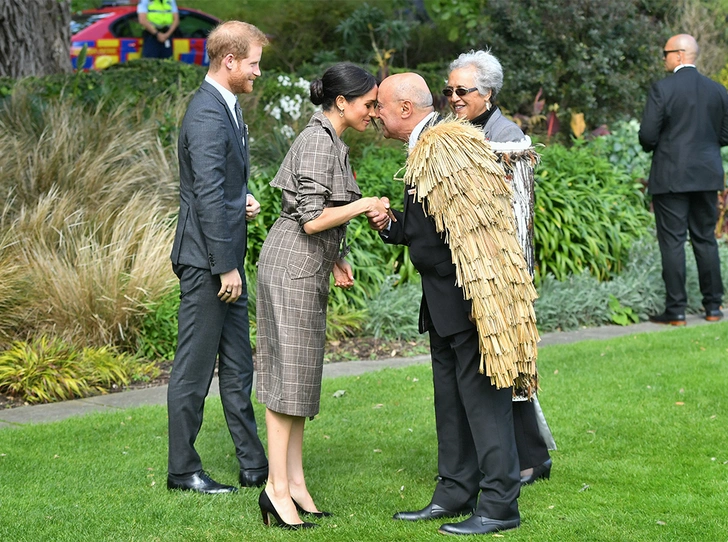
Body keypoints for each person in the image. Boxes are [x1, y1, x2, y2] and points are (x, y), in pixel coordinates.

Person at [372, 72, 522, 536]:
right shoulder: (430, 146)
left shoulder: (443, 144)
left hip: (466, 297)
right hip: (442, 301)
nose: (373, 113)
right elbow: (433, 225)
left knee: (483, 400)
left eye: (378, 104)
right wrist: (390, 224)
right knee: (452, 401)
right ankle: (455, 490)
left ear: (403, 108)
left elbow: (475, 227)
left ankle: (499, 505)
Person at [255, 63, 388, 529]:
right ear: (341, 103)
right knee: (285, 379)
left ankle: (294, 485)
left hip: (307, 264)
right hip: (290, 267)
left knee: (300, 378)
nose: (374, 112)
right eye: (369, 104)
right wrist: (365, 203)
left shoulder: (331, 140)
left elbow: (316, 216)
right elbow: (310, 218)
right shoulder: (316, 140)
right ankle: (275, 489)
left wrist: (337, 256)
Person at [167, 21, 269, 495]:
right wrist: (225, 266)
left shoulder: (224, 106)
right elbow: (205, 193)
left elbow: (219, 187)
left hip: (222, 255)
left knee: (238, 365)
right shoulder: (208, 113)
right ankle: (182, 470)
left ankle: (253, 465)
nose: (257, 73)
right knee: (193, 370)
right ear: (229, 61)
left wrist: (241, 198)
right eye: (253, 65)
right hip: (209, 262)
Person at [445, 50, 555, 486]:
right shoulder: (461, 129)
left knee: (506, 365)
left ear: (487, 93)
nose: (453, 97)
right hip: (477, 269)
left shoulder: (506, 136)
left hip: (501, 271)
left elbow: (516, 214)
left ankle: (529, 458)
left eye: (462, 91)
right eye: (448, 89)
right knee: (495, 367)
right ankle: (525, 455)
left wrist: (504, 276)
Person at [639, 34, 727, 326]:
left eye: (665, 53)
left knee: (673, 243)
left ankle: (676, 311)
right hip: (707, 175)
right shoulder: (718, 90)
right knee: (705, 241)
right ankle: (713, 308)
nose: (662, 58)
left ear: (678, 55)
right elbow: (725, 135)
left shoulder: (662, 89)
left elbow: (647, 136)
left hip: (671, 176)